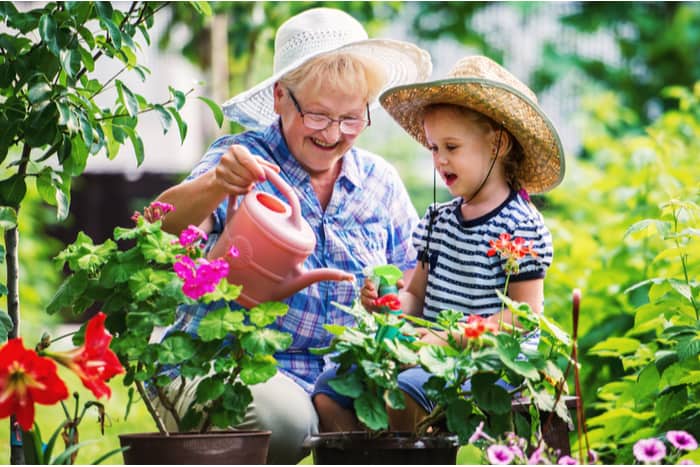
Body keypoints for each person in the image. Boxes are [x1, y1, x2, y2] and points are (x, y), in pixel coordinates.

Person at [147, 7, 432, 464]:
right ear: (281, 97)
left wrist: (392, 301)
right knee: (283, 423)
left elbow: (410, 287)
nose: (334, 134)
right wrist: (217, 184)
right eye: (318, 116)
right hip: (232, 362)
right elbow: (159, 226)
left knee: (410, 398)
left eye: (352, 119)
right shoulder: (240, 160)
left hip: (338, 377)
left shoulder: (380, 183)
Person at [312, 55, 565, 432]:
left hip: (487, 364)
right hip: (428, 354)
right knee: (329, 389)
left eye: (451, 146)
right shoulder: (438, 221)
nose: (440, 160)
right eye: (433, 148)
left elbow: (522, 318)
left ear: (498, 144)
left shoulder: (520, 226)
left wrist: (454, 336)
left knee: (404, 391)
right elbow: (417, 296)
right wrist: (389, 305)